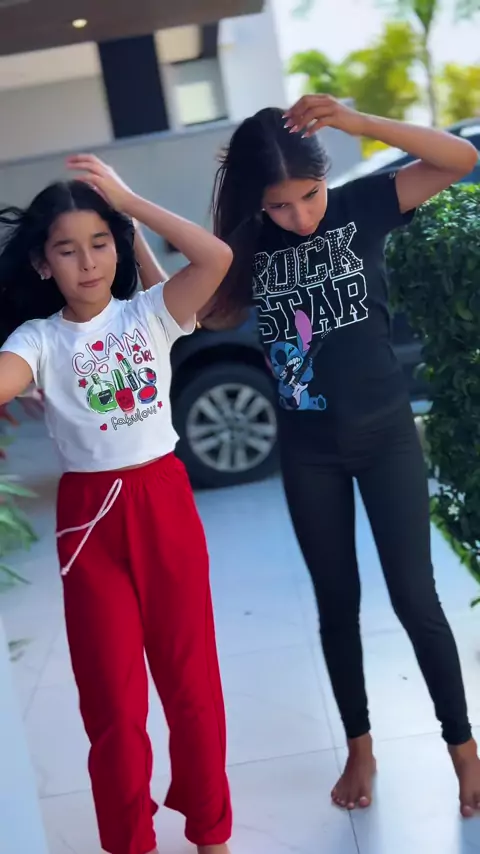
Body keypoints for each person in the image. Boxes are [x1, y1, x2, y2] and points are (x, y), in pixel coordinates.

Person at [202, 95, 480, 817]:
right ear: (257, 202)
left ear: (328, 177)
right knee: (336, 603)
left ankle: (463, 749)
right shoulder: (248, 245)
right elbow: (198, 308)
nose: (300, 215)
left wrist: (360, 123)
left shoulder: (362, 206)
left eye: (309, 194)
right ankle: (360, 745)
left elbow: (461, 158)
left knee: (416, 597)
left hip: (386, 436)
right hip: (310, 451)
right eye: (280, 204)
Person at [0, 154, 234, 854]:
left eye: (99, 243)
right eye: (67, 250)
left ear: (119, 243)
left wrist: (130, 206)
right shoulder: (39, 339)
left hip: (162, 500)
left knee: (192, 685)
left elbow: (216, 257)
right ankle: (130, 841)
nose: (87, 262)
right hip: (89, 518)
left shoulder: (150, 314)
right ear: (42, 264)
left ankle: (212, 833)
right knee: (112, 703)